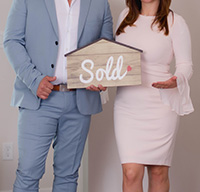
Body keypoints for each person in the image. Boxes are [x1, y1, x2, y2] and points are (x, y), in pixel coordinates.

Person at [3, 0, 113, 191]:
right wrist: (34, 80)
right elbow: (12, 41)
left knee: (68, 175)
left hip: (80, 102)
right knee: (28, 173)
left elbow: (106, 49)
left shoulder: (100, 4)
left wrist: (100, 76)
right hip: (38, 100)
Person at [114, 0, 194, 191]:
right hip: (128, 105)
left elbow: (186, 65)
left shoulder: (175, 21)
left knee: (158, 171)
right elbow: (112, 58)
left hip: (160, 104)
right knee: (130, 172)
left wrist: (176, 79)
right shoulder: (124, 17)